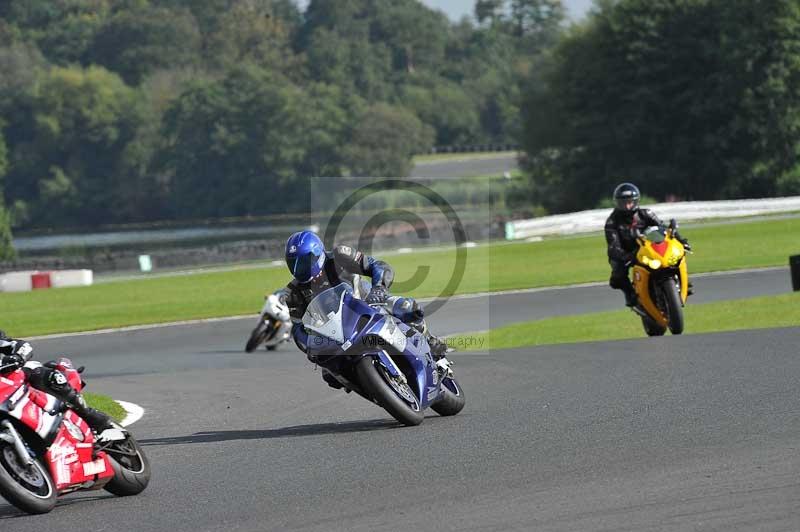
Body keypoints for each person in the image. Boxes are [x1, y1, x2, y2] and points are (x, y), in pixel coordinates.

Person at [281, 231, 448, 384]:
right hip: (336, 334)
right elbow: (298, 329)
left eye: (303, 262)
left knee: (407, 307)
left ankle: (430, 341)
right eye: (293, 264)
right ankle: (373, 386)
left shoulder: (340, 257)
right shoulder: (293, 293)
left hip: (370, 301)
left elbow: (377, 265)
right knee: (330, 375)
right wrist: (311, 345)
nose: (298, 269)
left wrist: (379, 288)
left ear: (318, 253)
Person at [0, 332, 114, 433]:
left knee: (40, 373)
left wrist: (17, 357)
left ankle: (88, 415)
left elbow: (21, 345)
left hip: (11, 378)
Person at [604, 183, 691, 307]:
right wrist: (626, 257)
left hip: (648, 247)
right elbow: (613, 246)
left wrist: (681, 241)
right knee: (617, 276)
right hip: (627, 253)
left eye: (630, 202)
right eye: (624, 203)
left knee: (676, 256)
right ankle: (630, 294)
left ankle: (684, 282)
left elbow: (664, 229)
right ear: (618, 203)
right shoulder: (612, 222)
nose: (628, 206)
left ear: (636, 201)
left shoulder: (646, 214)